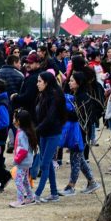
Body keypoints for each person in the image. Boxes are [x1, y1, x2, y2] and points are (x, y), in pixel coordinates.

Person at [63, 72, 101, 195]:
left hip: (80, 132)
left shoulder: (82, 97)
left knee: (75, 159)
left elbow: (79, 117)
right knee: (79, 158)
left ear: (79, 83)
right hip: (80, 131)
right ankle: (92, 182)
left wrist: (65, 111)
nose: (69, 82)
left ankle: (71, 186)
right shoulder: (77, 95)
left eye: (72, 81)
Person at [33, 71, 67, 203]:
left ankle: (37, 194)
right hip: (44, 133)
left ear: (46, 83)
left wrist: (37, 129)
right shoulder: (43, 95)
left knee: (45, 164)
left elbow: (51, 117)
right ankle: (54, 193)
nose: (37, 84)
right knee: (47, 164)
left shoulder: (55, 95)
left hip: (53, 133)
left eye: (39, 81)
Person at [8, 110, 36, 208]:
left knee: (18, 180)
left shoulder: (22, 133)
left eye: (15, 118)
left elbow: (23, 150)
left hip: (22, 161)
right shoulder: (25, 131)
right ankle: (30, 197)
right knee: (25, 180)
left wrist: (16, 160)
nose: (13, 120)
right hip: (27, 161)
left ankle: (20, 200)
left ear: (19, 121)